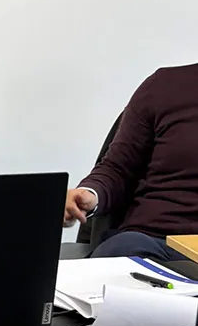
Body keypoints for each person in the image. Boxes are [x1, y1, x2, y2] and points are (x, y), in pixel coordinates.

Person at [63, 63, 198, 261]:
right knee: (123, 248)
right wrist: (88, 195)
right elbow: (118, 169)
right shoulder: (165, 86)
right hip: (154, 244)